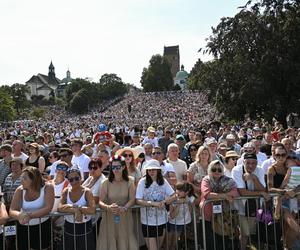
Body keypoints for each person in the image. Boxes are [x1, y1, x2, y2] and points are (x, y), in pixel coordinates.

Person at [98, 155, 138, 250]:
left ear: (123, 167)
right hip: (109, 219)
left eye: (118, 167)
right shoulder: (105, 182)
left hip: (125, 218)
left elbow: (132, 199)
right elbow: (100, 201)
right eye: (113, 167)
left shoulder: (130, 181)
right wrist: (108, 207)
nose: (115, 169)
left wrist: (124, 208)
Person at [9, 166, 54, 250]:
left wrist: (29, 216)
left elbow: (48, 208)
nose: (21, 180)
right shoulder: (20, 190)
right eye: (21, 177)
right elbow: (12, 210)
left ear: (34, 179)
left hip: (42, 227)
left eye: (24, 178)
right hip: (23, 227)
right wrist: (20, 215)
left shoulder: (48, 187)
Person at [232, 153, 269, 250]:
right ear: (243, 162)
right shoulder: (236, 170)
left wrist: (254, 178)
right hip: (240, 207)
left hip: (254, 206)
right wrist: (260, 193)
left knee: (250, 233)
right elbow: (242, 192)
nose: (251, 166)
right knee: (245, 233)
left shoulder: (259, 170)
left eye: (253, 163)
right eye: (248, 163)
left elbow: (263, 189)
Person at [136, 159, 176, 250]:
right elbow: (138, 200)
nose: (151, 172)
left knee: (158, 247)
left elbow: (174, 195)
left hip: (162, 219)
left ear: (158, 170)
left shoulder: (163, 181)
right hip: (147, 221)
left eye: (154, 169)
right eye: (149, 170)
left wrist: (164, 202)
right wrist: (153, 203)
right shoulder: (142, 182)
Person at [200, 160, 239, 250]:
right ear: (210, 170)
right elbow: (207, 194)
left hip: (224, 216)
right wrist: (225, 195)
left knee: (224, 241)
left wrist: (219, 195)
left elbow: (235, 192)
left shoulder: (228, 180)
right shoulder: (206, 179)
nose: (217, 172)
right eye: (214, 169)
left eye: (219, 170)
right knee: (211, 242)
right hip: (209, 216)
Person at [58, 168, 96, 250]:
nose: (74, 181)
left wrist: (78, 208)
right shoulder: (66, 191)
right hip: (69, 227)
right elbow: (59, 207)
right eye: (71, 179)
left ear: (81, 177)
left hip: (84, 227)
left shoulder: (87, 192)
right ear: (68, 180)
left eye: (76, 178)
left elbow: (92, 209)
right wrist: (75, 210)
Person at [167, 182, 194, 250]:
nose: (177, 192)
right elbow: (172, 215)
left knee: (174, 244)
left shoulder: (189, 199)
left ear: (187, 192)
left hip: (180, 224)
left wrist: (187, 202)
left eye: (180, 190)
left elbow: (191, 208)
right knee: (168, 243)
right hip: (171, 224)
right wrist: (178, 204)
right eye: (177, 189)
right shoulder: (173, 199)